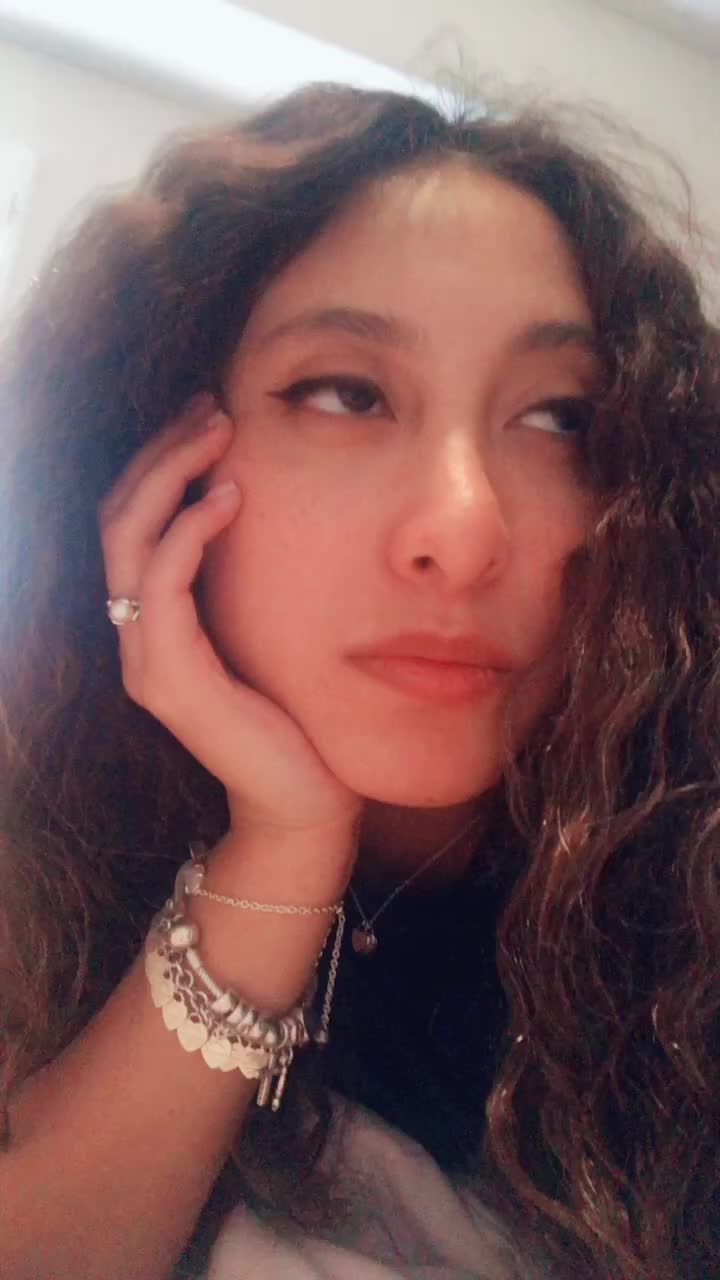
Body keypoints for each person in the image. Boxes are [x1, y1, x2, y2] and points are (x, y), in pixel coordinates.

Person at [0, 78, 717, 1280]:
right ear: (150, 450)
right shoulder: (31, 838)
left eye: (560, 417)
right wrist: (278, 853)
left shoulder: (685, 899)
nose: (464, 531)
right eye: (347, 393)